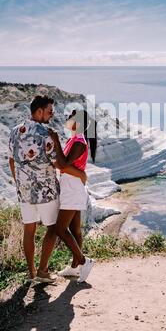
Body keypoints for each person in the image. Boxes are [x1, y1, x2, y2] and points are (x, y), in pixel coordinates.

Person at [8, 96, 86, 283]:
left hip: (24, 191)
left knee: (29, 230)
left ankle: (32, 273)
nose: (52, 115)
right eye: (50, 111)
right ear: (39, 111)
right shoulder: (46, 135)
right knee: (52, 229)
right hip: (46, 191)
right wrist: (81, 175)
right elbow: (60, 164)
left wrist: (18, 182)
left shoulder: (14, 131)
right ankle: (43, 271)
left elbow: (11, 160)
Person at [48, 109, 97, 283]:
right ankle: (76, 267)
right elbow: (64, 164)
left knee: (60, 229)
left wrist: (55, 141)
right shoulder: (74, 139)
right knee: (75, 230)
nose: (67, 119)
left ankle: (84, 261)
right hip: (72, 187)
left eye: (70, 118)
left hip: (73, 189)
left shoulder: (79, 142)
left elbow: (62, 164)